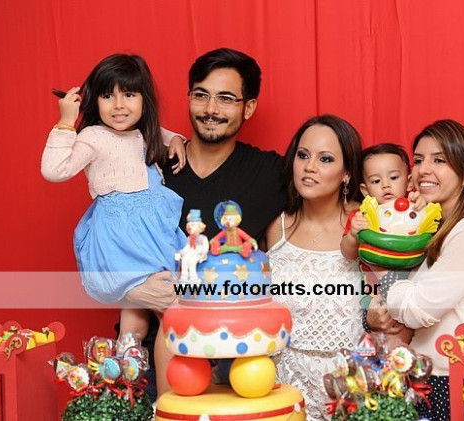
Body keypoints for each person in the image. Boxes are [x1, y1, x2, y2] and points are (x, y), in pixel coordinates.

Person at [126, 48, 287, 399]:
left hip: (239, 364)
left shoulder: (271, 173)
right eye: (201, 95)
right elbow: (107, 245)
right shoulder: (151, 167)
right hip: (152, 364)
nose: (210, 109)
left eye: (226, 99)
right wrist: (133, 290)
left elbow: (331, 194)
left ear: (249, 107)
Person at [40, 53, 187, 395]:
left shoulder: (143, 133)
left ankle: (124, 397)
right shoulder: (93, 136)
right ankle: (165, 402)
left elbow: (161, 133)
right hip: (123, 240)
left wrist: (177, 139)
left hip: (153, 237)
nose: (119, 105)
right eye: (108, 96)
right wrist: (66, 121)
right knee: (171, 310)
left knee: (134, 324)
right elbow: (54, 170)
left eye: (129, 95)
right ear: (95, 101)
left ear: (144, 99)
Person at [365, 120, 464, 421]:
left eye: (439, 160)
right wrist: (378, 318)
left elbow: (417, 309)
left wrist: (379, 265)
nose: (423, 170)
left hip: (451, 381)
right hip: (420, 374)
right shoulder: (431, 231)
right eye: (418, 160)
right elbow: (404, 309)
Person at [266, 114, 364, 421]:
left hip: (351, 390)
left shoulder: (366, 222)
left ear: (347, 173)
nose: (309, 167)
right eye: (303, 155)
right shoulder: (276, 226)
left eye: (325, 159)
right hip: (284, 389)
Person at [341, 143, 426, 346]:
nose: (386, 185)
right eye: (376, 181)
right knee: (383, 336)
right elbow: (347, 253)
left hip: (411, 289)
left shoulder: (415, 208)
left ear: (409, 182)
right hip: (374, 291)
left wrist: (422, 205)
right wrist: (353, 234)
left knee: (406, 337)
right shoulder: (363, 216)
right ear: (365, 189)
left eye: (393, 178)